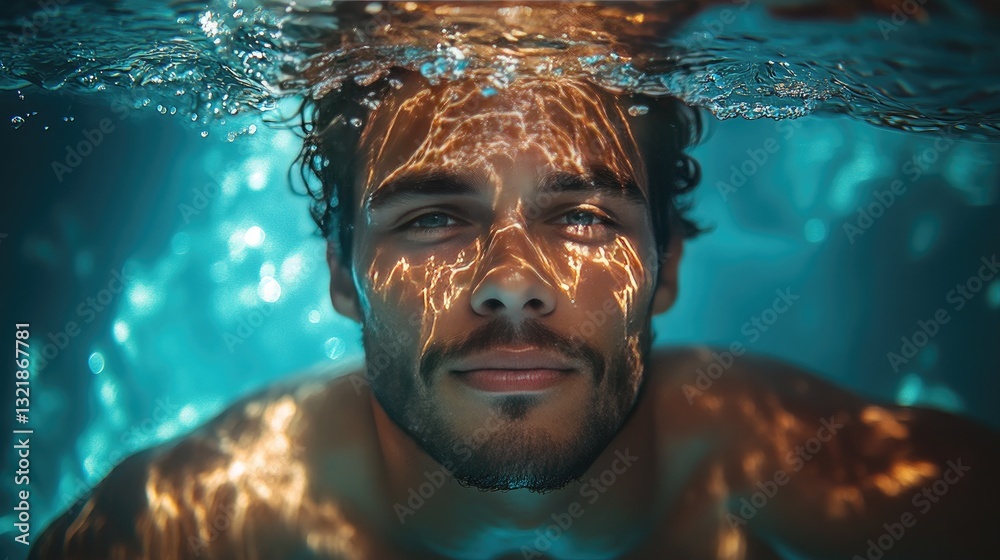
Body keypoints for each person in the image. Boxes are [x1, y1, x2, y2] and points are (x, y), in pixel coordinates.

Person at [29, 67, 998, 560]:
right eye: (434, 217)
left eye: (581, 216)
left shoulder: (793, 459)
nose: (510, 281)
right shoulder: (196, 516)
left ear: (665, 267)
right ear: (341, 275)